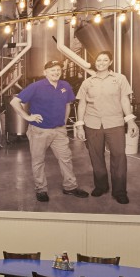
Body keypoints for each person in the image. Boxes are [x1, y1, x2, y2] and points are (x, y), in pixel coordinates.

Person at [10, 58, 87, 203]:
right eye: (52, 70)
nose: (56, 72)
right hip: (39, 131)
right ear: (45, 72)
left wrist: (64, 122)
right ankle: (41, 189)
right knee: (38, 161)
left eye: (58, 70)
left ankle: (70, 187)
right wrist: (27, 117)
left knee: (66, 159)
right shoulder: (36, 86)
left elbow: (68, 104)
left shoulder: (65, 85)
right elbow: (14, 102)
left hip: (59, 131)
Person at [76, 50, 135, 204]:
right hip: (92, 123)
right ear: (95, 62)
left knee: (119, 156)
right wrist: (80, 125)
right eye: (98, 60)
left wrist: (130, 121)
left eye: (105, 60)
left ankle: (119, 191)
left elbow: (124, 100)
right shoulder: (87, 82)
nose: (101, 63)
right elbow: (82, 104)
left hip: (115, 123)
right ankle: (101, 186)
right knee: (96, 156)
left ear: (110, 62)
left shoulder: (120, 79)